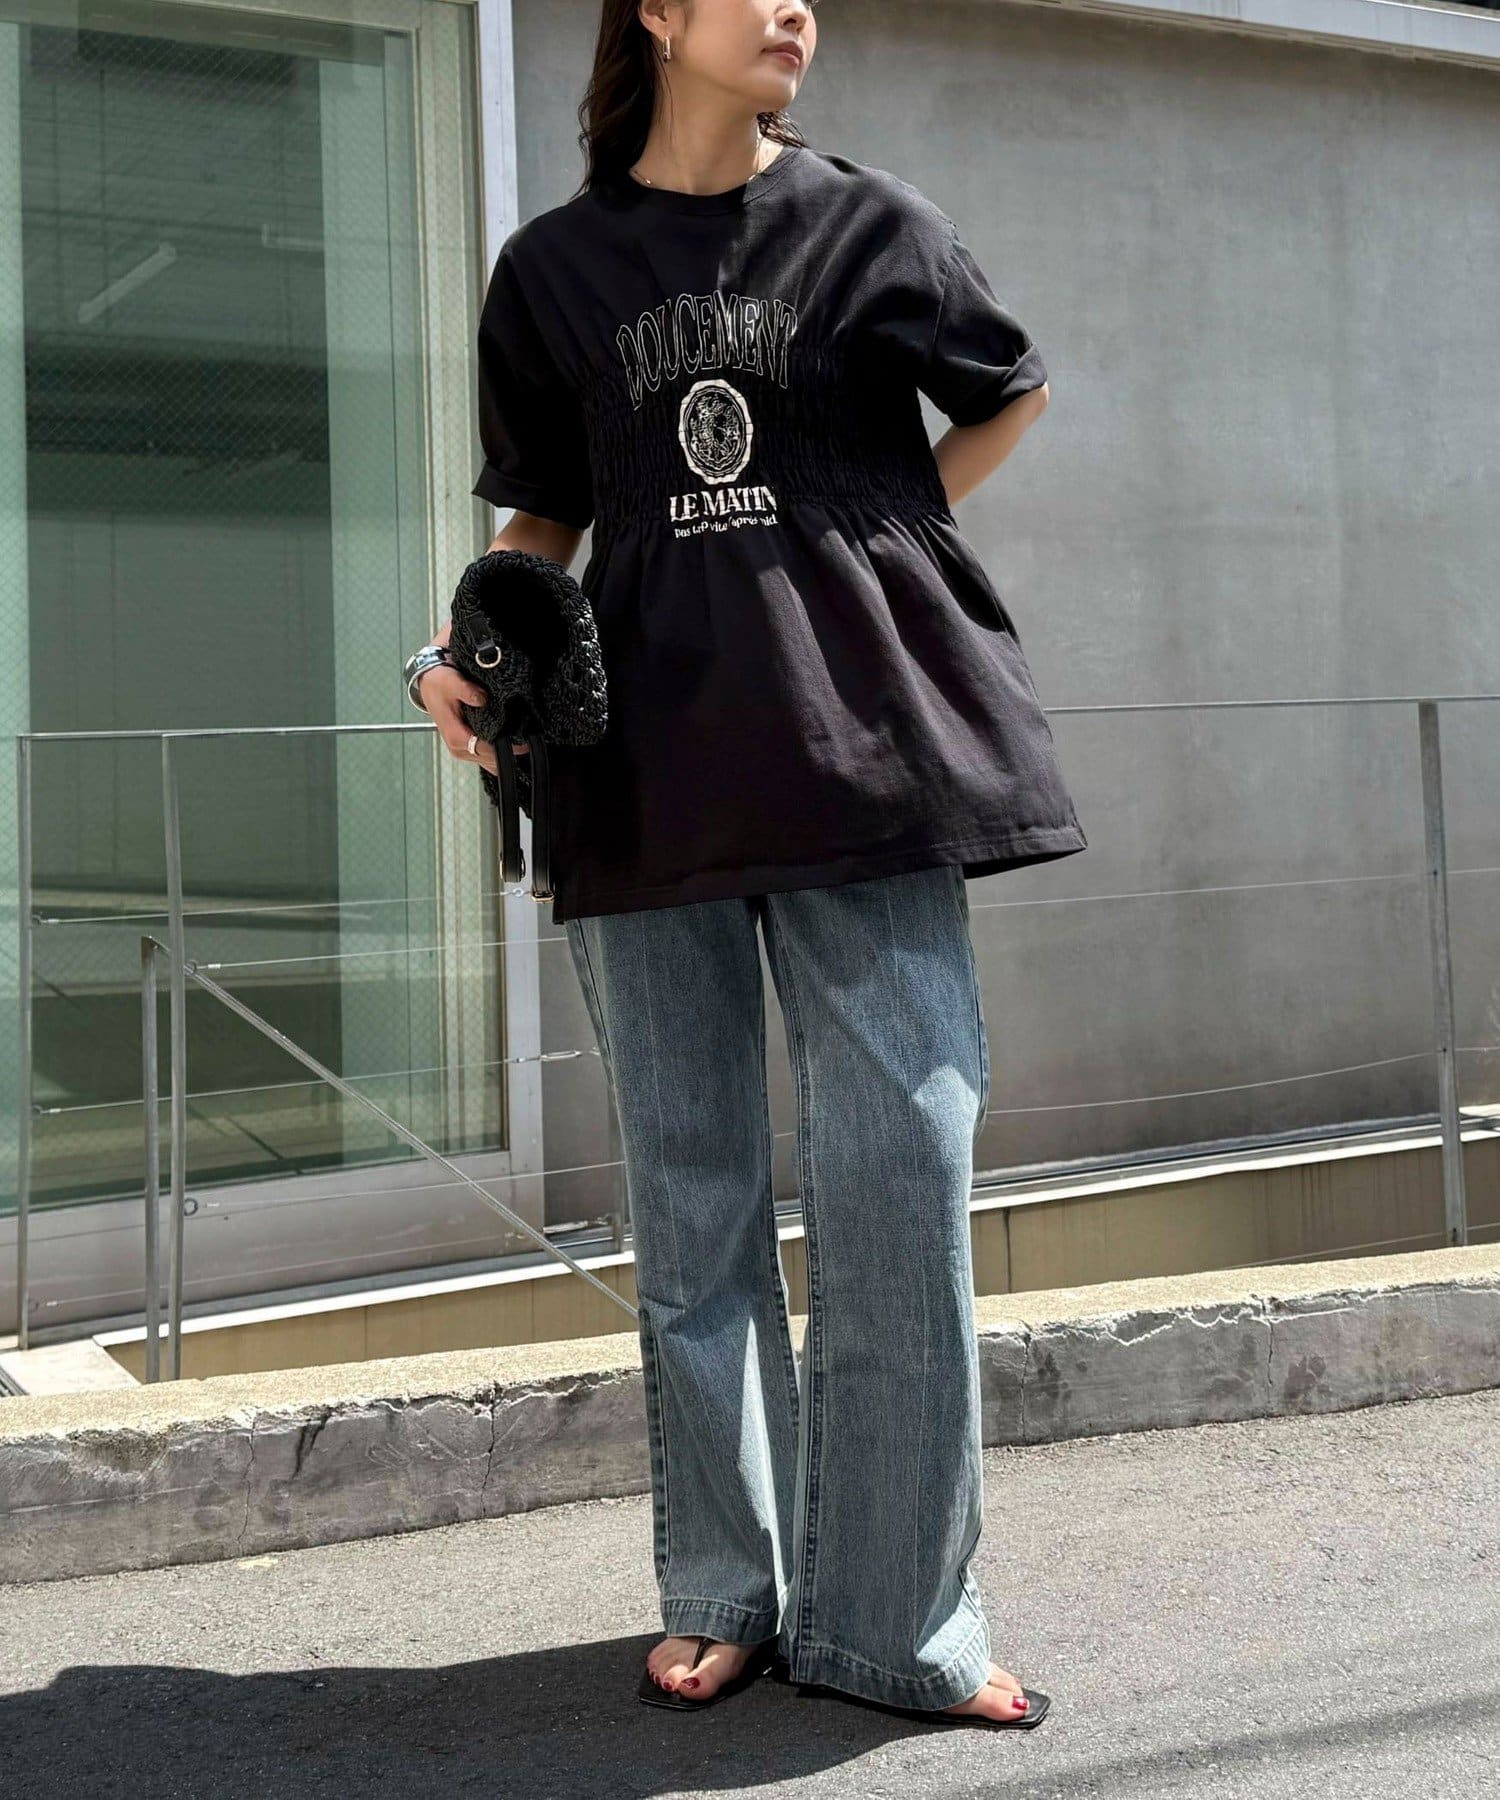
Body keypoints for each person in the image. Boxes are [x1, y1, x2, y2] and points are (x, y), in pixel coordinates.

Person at [407, 0, 1085, 1728]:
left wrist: (881, 533)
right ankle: (724, 1585)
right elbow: (540, 521)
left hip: (870, 757)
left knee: (902, 1177)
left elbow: (1009, 389)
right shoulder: (553, 270)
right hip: (639, 774)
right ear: (656, 11)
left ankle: (897, 1623)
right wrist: (459, 653)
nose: (794, 8)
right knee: (692, 1203)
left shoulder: (870, 223)